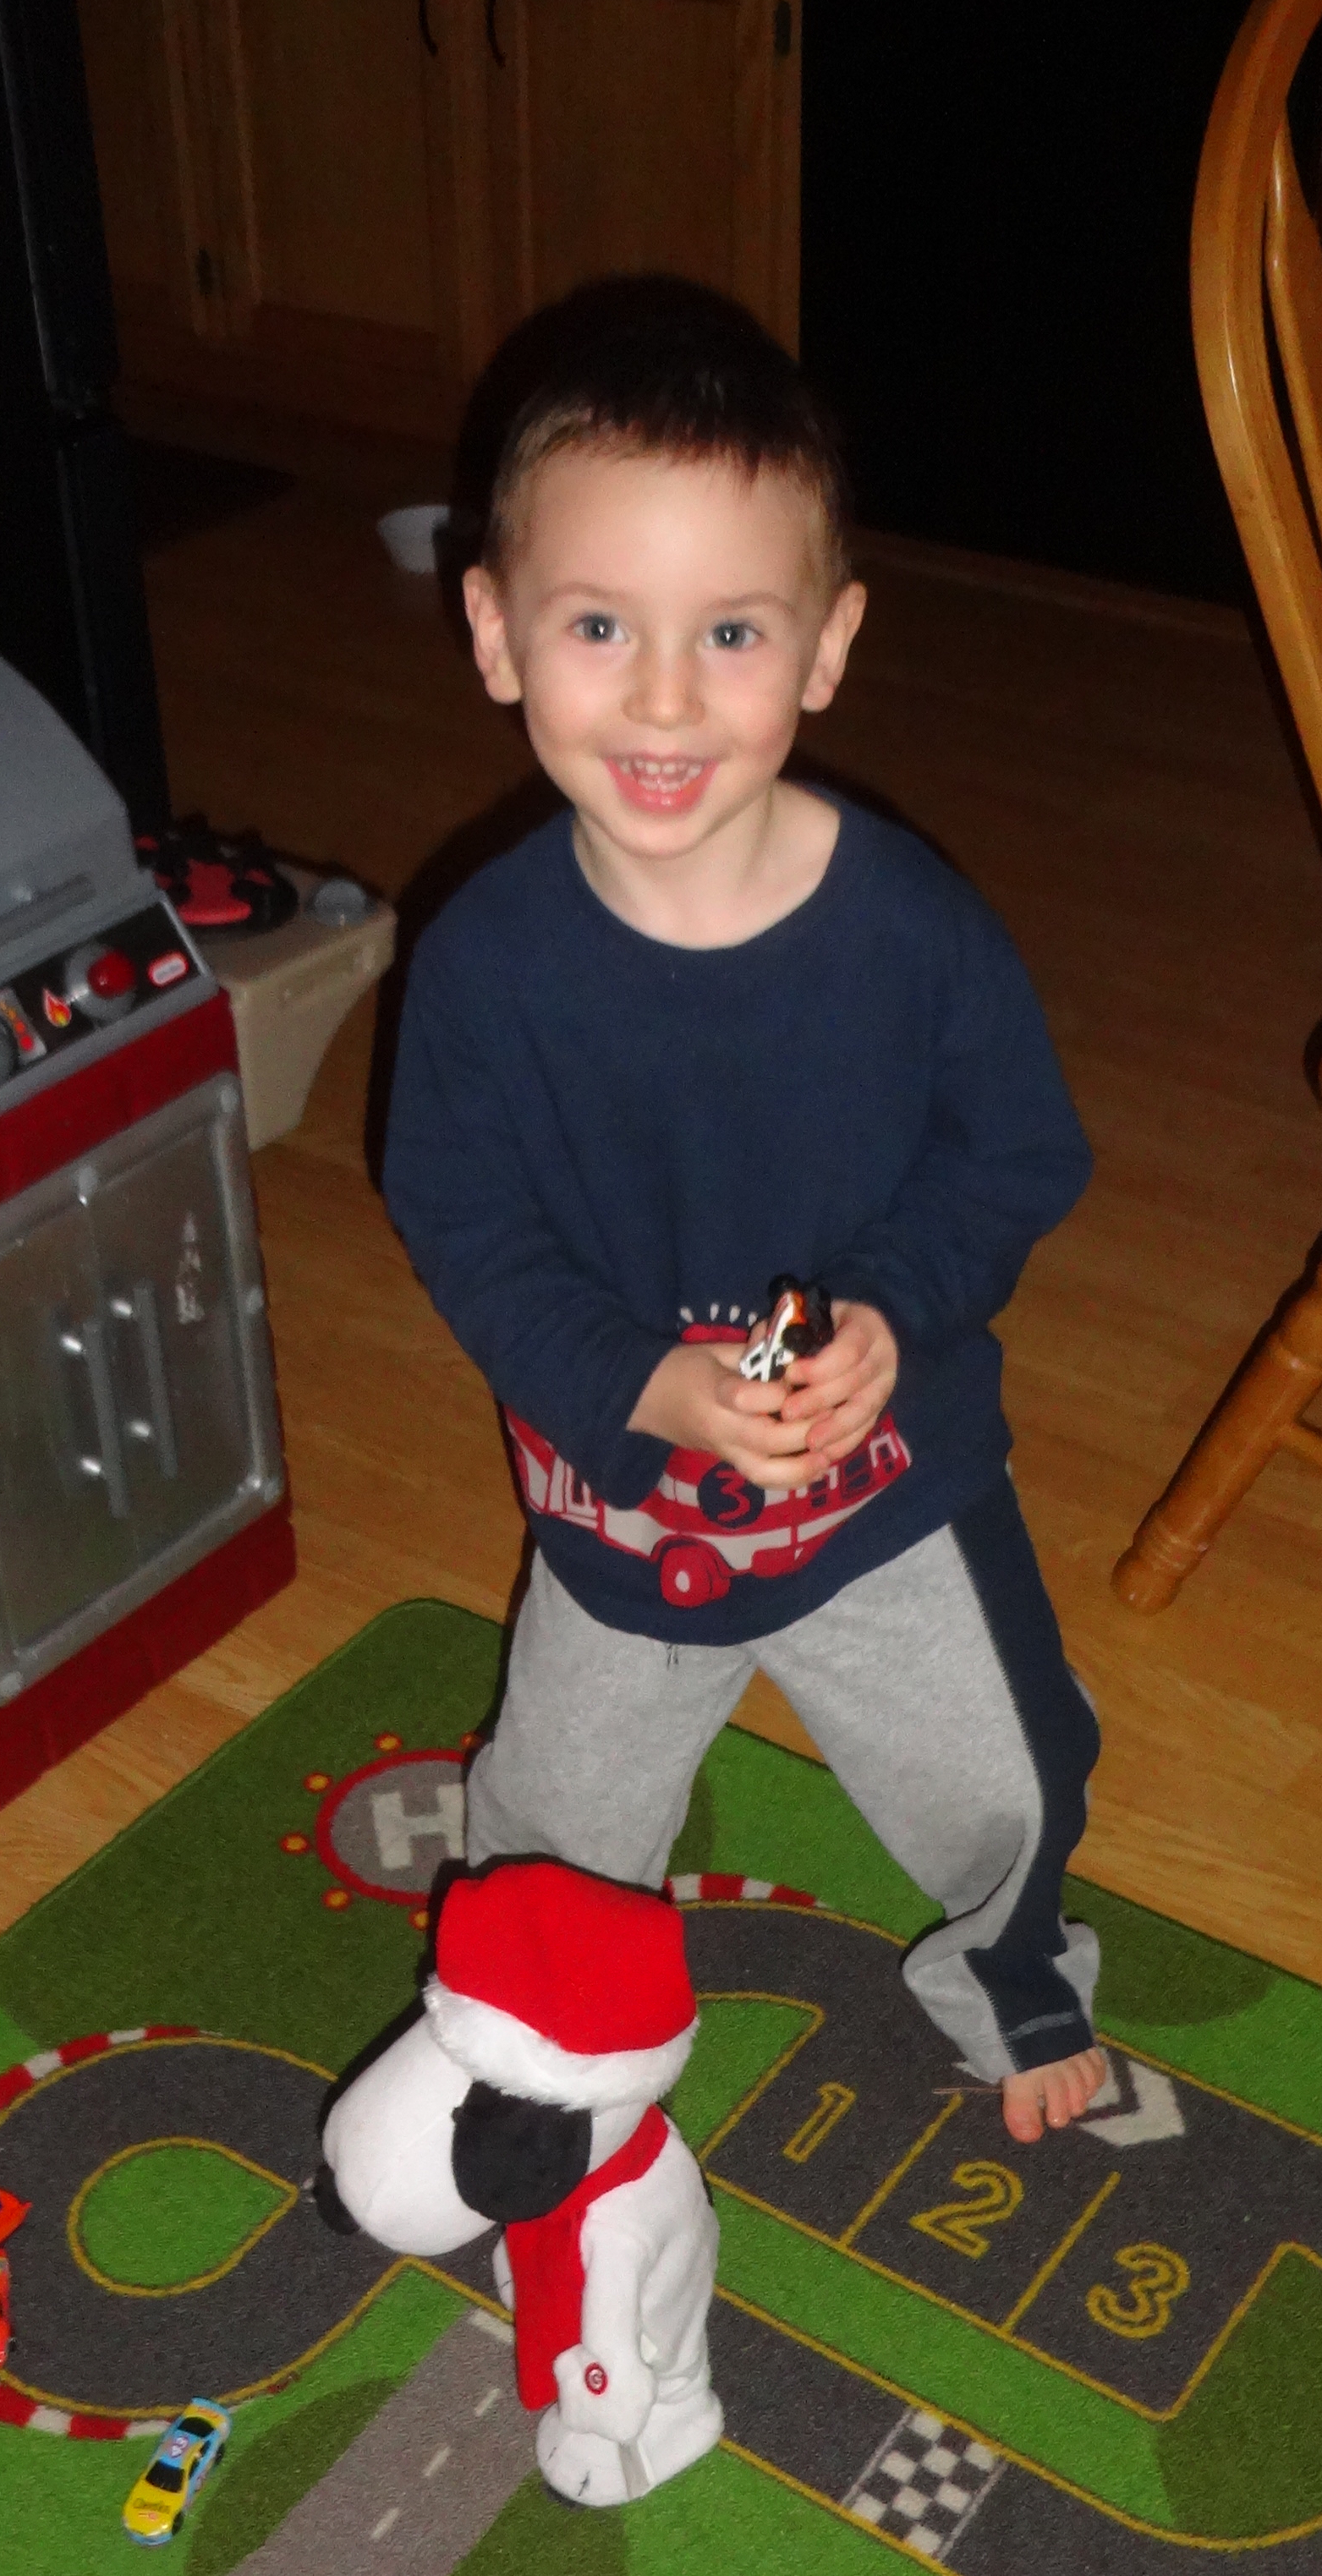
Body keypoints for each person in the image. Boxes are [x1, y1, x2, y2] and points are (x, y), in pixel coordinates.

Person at [383, 279, 1106, 2145]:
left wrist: (894, 1307)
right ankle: (524, 2026)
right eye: (597, 625)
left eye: (729, 633)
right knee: (550, 1812)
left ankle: (1012, 1970)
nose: (661, 698)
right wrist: (634, 1381)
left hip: (885, 1484)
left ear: (827, 645)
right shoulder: (483, 963)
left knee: (1012, 1767)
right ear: (492, 630)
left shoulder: (913, 928)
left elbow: (1014, 1155)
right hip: (627, 1507)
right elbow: (461, 1222)